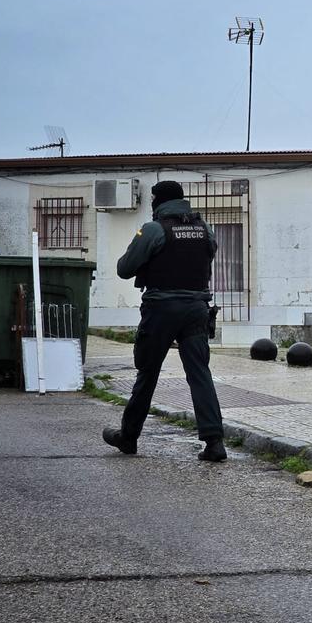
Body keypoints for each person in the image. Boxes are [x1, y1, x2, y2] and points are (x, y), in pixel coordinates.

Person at [103, 180, 227, 462]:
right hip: (197, 308)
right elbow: (205, 257)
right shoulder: (204, 228)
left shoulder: (153, 229)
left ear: (157, 202)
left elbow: (124, 269)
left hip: (161, 309)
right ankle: (214, 442)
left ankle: (129, 437)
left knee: (147, 373)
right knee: (200, 374)